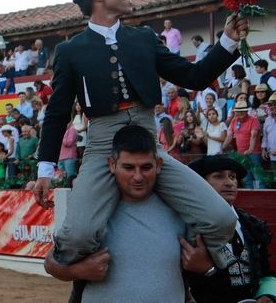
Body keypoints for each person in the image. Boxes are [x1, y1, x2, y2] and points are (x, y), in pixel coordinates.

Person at [35, 0, 246, 270]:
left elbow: (194, 77)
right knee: (77, 236)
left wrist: (228, 41)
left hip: (151, 142)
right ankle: (75, 277)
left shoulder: (144, 38)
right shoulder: (70, 51)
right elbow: (57, 113)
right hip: (103, 145)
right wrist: (45, 170)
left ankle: (214, 273)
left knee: (220, 218)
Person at [44, 125, 186, 302]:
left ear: (158, 165)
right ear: (112, 165)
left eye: (145, 167)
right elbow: (50, 263)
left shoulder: (179, 209)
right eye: (128, 167)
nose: (138, 177)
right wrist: (77, 271)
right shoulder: (94, 211)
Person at [183, 156, 276, 302]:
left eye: (232, 177)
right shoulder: (187, 225)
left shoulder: (251, 225)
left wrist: (266, 295)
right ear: (200, 183)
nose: (229, 183)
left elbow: (266, 272)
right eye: (219, 176)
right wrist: (208, 271)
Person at [224, 100, 264, 189]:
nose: (240, 113)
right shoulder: (234, 121)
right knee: (246, 177)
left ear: (246, 111)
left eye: (242, 111)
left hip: (254, 153)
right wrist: (223, 147)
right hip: (241, 154)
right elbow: (229, 135)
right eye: (238, 111)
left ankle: (263, 198)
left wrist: (250, 149)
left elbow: (253, 136)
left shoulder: (253, 120)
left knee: (258, 176)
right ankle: (249, 198)